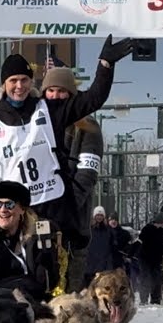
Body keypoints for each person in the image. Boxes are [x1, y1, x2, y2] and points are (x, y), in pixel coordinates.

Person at [0, 36, 129, 281]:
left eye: (24, 80)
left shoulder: (46, 109)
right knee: (12, 275)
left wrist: (106, 64)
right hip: (14, 211)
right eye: (13, 81)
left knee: (52, 277)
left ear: (31, 81)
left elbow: (93, 98)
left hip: (52, 207)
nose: (19, 87)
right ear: (4, 84)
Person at [40, 64, 105, 292]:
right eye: (51, 91)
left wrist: (64, 207)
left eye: (61, 91)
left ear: (71, 94)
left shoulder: (88, 128)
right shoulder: (36, 123)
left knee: (69, 291)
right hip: (38, 219)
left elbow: (87, 174)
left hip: (72, 223)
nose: (55, 96)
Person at [135, 213, 163, 305]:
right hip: (145, 259)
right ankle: (144, 299)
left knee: (156, 279)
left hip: (156, 260)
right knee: (145, 278)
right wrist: (132, 253)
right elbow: (139, 242)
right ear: (160, 222)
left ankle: (156, 300)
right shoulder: (147, 229)